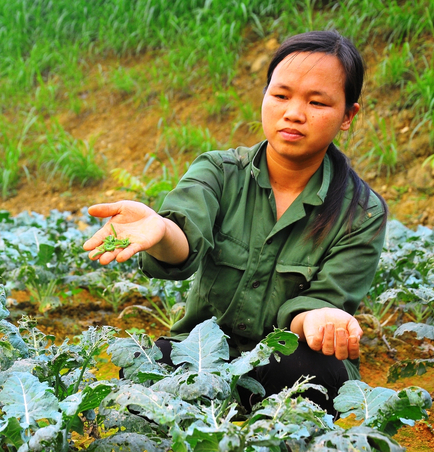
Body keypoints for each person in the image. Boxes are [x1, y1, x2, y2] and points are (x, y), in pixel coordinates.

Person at [83, 30, 387, 415]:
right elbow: (184, 238)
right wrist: (160, 231)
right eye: (281, 95)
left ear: (347, 116)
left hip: (283, 365)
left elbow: (322, 302)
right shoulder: (218, 171)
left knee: (315, 372)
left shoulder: (362, 212)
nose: (293, 112)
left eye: (316, 102)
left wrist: (321, 316)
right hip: (202, 354)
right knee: (142, 373)